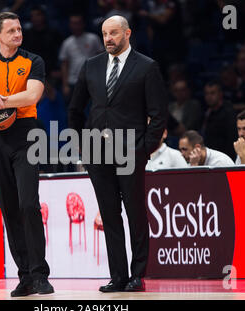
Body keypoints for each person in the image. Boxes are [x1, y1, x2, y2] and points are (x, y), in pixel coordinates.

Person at [68, 15, 168, 292]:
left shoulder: (147, 67)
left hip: (130, 152)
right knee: (109, 215)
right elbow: (75, 110)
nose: (108, 38)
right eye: (104, 34)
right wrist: (82, 145)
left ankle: (138, 275)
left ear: (127, 33)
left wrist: (143, 149)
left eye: (113, 33)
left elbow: (159, 115)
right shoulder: (91, 65)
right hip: (97, 152)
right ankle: (118, 276)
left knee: (136, 214)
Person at [0, 11, 53, 297]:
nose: (18, 34)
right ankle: (25, 276)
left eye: (19, 29)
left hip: (27, 134)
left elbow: (32, 96)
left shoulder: (33, 60)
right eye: (12, 31)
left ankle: (41, 274)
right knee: (10, 209)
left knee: (29, 204)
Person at [59, 13, 104, 103]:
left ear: (83, 24)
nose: (75, 26)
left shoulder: (93, 38)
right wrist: (65, 85)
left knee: (93, 110)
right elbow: (64, 65)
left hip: (92, 80)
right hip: (73, 81)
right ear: (70, 25)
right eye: (73, 23)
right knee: (75, 111)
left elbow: (102, 59)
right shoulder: (67, 43)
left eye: (78, 23)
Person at [201, 80, 238, 159]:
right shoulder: (207, 113)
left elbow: (232, 139)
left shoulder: (228, 113)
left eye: (212, 93)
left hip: (225, 158)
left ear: (220, 94)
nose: (209, 97)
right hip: (210, 156)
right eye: (207, 93)